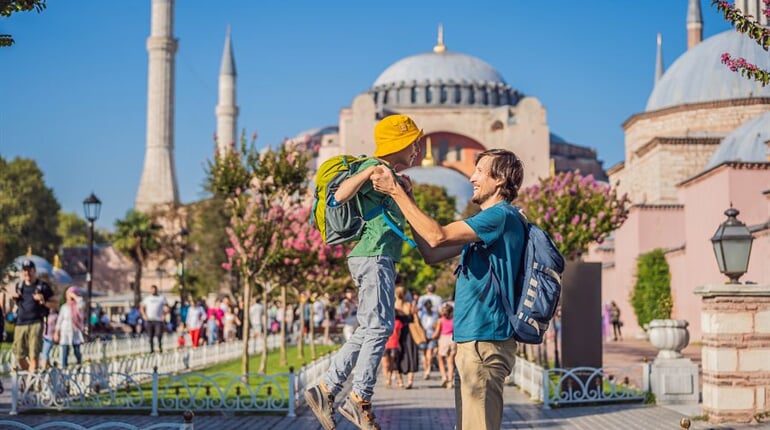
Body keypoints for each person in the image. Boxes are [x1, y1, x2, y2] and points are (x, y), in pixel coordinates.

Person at [371, 148, 526, 430]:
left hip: (484, 340)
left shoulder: (499, 216)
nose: (472, 177)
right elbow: (431, 251)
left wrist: (396, 192)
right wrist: (411, 199)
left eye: (480, 171)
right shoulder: (488, 227)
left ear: (500, 180)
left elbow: (437, 235)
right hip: (474, 340)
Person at [305, 114, 423, 430]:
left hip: (378, 258)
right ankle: (359, 398)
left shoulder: (393, 176)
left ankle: (326, 389)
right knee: (381, 326)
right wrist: (370, 171)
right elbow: (338, 196)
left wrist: (404, 192)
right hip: (372, 257)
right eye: (412, 142)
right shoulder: (373, 166)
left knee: (369, 327)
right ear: (398, 143)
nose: (417, 148)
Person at [12, 259, 56, 372]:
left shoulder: (42, 286)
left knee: (34, 355)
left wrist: (43, 301)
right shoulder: (19, 286)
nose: (27, 273)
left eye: (29, 270)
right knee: (19, 356)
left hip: (36, 322)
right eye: (25, 271)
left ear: (34, 271)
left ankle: (29, 383)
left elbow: (55, 303)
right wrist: (14, 298)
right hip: (20, 323)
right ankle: (32, 377)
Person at [394, 285, 419, 389]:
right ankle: (410, 381)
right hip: (410, 332)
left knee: (397, 356)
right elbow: (416, 319)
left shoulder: (393, 306)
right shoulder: (410, 305)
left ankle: (400, 381)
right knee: (411, 354)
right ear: (405, 294)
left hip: (396, 333)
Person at [55, 286, 85, 368]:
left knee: (77, 349)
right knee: (65, 349)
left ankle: (79, 364)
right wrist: (57, 332)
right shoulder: (64, 307)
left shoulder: (78, 306)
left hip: (75, 329)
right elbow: (60, 320)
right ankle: (64, 366)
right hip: (65, 330)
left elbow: (81, 303)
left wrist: (74, 296)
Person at [433, 303, 457, 389]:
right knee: (450, 362)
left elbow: (436, 333)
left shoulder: (441, 320)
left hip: (443, 339)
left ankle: (444, 377)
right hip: (452, 339)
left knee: (440, 359)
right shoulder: (454, 320)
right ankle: (450, 381)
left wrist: (430, 338)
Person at [141, 285, 168, 353]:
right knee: (150, 335)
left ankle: (159, 346)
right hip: (149, 320)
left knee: (158, 334)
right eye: (152, 290)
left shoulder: (161, 298)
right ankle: (151, 349)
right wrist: (144, 315)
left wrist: (164, 315)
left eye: (154, 289)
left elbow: (167, 307)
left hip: (158, 319)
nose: (153, 291)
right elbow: (142, 307)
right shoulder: (147, 298)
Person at [418, 299, 439, 380]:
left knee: (429, 353)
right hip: (423, 335)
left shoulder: (435, 314)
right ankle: (425, 369)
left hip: (432, 335)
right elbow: (419, 324)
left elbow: (436, 324)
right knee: (424, 353)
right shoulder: (422, 314)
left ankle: (428, 370)